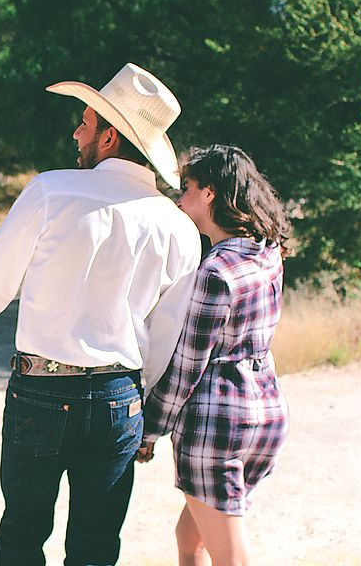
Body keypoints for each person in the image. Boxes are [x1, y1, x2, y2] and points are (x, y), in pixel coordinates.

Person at [0, 63, 202, 566]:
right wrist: (141, 405)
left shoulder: (51, 191)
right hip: (118, 398)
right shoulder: (177, 227)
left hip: (41, 390)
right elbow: (168, 335)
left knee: (21, 534)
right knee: (97, 545)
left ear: (108, 138)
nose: (75, 131)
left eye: (85, 123)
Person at [138, 144, 292, 566]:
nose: (179, 197)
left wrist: (149, 431)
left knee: (231, 557)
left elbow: (189, 367)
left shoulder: (215, 272)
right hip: (266, 415)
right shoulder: (266, 251)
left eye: (186, 188)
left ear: (208, 194)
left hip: (217, 424)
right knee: (190, 539)